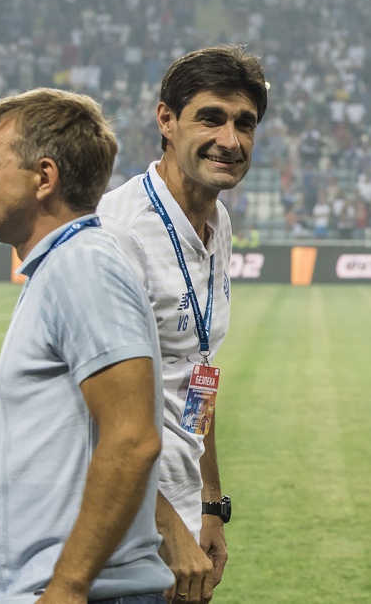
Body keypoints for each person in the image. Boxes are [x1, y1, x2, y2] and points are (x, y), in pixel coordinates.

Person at [0, 88, 172, 604]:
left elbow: (132, 438)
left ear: (44, 178)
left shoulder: (82, 265)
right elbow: (63, 451)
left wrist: (68, 586)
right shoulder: (64, 264)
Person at [97, 45, 268, 604]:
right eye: (210, 118)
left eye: (245, 123)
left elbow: (198, 374)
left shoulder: (218, 222)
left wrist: (208, 503)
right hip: (116, 534)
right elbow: (87, 414)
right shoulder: (117, 233)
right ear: (166, 120)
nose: (231, 140)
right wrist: (170, 530)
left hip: (179, 521)